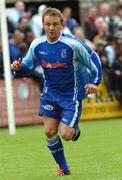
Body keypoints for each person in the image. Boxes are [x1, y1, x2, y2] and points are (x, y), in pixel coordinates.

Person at [11, 7, 102, 176]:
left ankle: (74, 130)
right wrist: (18, 68)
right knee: (49, 131)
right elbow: (27, 67)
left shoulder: (73, 45)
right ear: (43, 25)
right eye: (47, 24)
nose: (51, 27)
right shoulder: (38, 45)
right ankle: (63, 167)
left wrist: (94, 82)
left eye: (55, 24)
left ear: (62, 24)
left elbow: (94, 59)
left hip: (71, 95)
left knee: (66, 134)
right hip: (50, 94)